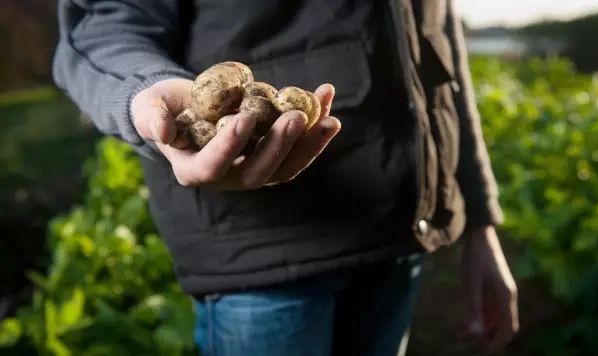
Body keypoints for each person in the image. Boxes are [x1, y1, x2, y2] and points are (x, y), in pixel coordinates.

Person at [53, 0, 519, 355]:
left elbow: (438, 45)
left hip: (396, 240)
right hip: (264, 260)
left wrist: (478, 218)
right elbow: (102, 29)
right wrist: (145, 95)